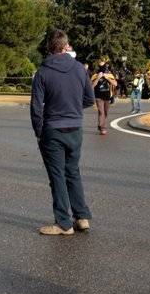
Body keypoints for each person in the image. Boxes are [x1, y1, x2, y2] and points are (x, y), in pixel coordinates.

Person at [30, 30, 95, 236]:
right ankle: (81, 216)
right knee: (73, 171)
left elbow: (36, 107)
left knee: (57, 175)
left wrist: (39, 132)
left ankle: (64, 223)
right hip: (75, 126)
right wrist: (73, 108)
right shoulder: (79, 68)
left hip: (53, 128)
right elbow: (89, 99)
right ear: (66, 45)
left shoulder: (43, 72)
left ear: (49, 47)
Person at [91, 64, 117, 135]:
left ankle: (101, 124)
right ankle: (102, 128)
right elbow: (92, 86)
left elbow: (115, 84)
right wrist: (98, 78)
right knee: (101, 112)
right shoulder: (95, 75)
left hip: (107, 97)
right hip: (98, 97)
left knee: (105, 112)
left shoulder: (109, 75)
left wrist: (107, 78)